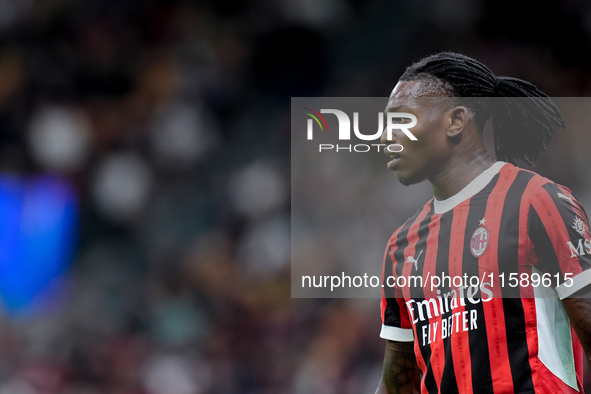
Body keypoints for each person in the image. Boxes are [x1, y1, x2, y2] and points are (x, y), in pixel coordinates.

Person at [375, 52, 591, 394]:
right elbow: (398, 382)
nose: (386, 136)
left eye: (401, 120)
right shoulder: (402, 246)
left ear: (455, 121)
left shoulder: (536, 201)